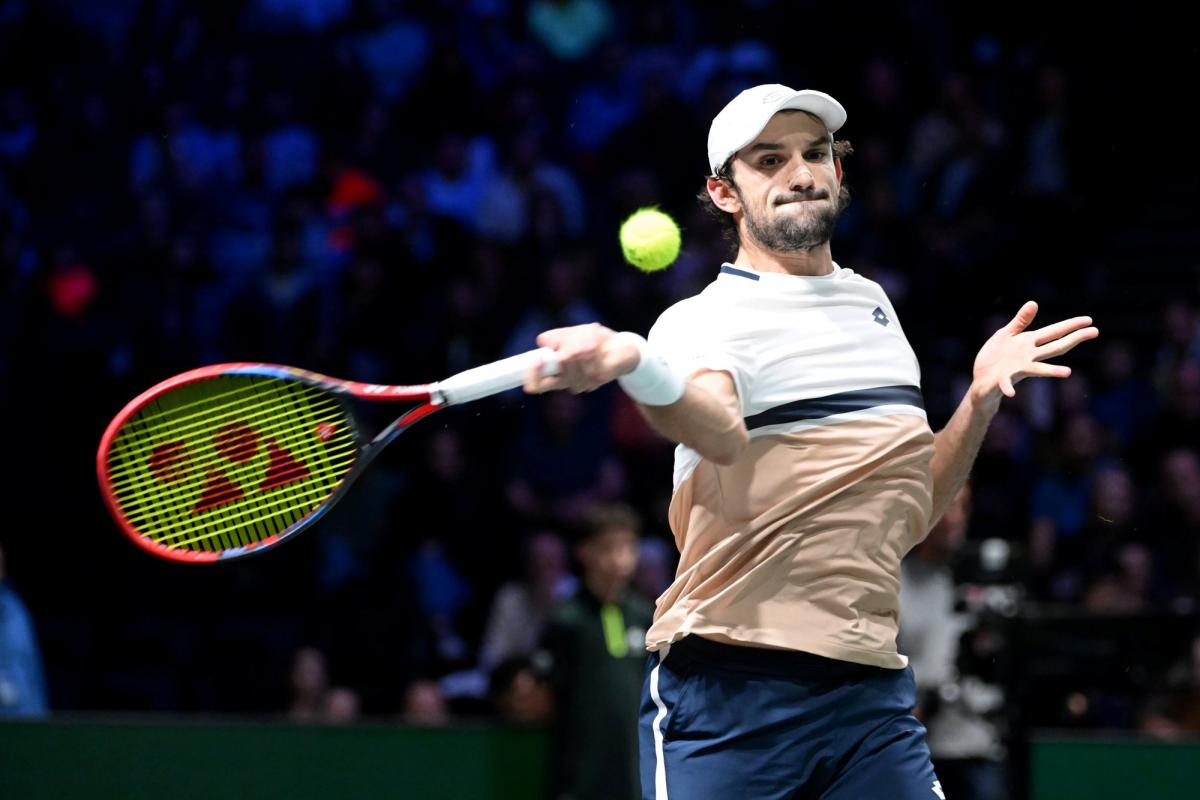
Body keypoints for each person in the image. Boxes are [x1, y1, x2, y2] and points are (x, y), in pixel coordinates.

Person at [523, 83, 1099, 799]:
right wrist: (639, 363)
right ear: (724, 192)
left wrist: (978, 402)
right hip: (731, 696)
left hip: (870, 699)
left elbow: (911, 509)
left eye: (816, 153)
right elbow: (719, 432)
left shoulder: (875, 307)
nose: (801, 173)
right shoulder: (702, 320)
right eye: (769, 160)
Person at [537, 503, 654, 800]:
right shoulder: (567, 621)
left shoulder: (646, 616)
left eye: (627, 547)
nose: (619, 559)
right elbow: (544, 699)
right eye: (608, 548)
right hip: (577, 777)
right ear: (584, 552)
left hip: (634, 775)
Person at [900, 485, 1009, 800]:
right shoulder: (894, 582)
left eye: (963, 507)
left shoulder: (989, 584)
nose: (954, 518)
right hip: (917, 749)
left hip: (978, 746)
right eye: (946, 505)